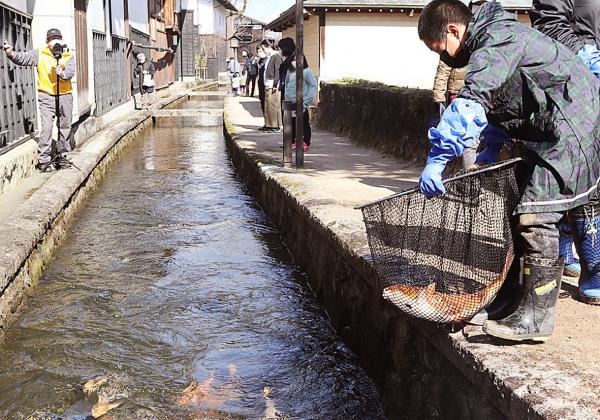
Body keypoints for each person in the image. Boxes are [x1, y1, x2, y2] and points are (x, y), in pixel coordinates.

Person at [417, 0, 600, 341]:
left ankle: (536, 317)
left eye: (440, 48)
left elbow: (474, 99)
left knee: (536, 215)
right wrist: (491, 142)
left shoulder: (496, 39)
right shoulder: (494, 39)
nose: (442, 57)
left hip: (574, 126)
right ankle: (513, 298)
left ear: (454, 30)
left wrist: (438, 158)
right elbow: (508, 96)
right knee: (518, 209)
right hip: (553, 126)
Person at [530, 0, 600, 303]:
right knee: (583, 172)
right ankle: (591, 265)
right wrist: (586, 53)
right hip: (576, 86)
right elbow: (548, 23)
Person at [3, 28, 76, 172]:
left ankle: (63, 156)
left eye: (58, 38)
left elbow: (70, 73)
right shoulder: (39, 54)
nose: (55, 41)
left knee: (65, 126)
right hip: (46, 95)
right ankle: (44, 160)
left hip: (65, 95)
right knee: (47, 128)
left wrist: (62, 73)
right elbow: (22, 58)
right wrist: (11, 53)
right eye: (52, 39)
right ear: (47, 42)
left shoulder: (68, 54)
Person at [431, 60, 479, 168]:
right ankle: (472, 178)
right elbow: (443, 70)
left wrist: (439, 98)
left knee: (465, 141)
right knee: (468, 142)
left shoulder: (454, 46)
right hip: (466, 96)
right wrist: (439, 98)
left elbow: (443, 71)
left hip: (466, 96)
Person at [283, 54, 317, 152]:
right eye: (293, 60)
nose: (295, 62)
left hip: (301, 102)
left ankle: (305, 142)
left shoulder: (306, 72)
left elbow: (313, 86)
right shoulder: (290, 71)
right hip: (290, 101)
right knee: (291, 123)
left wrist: (306, 101)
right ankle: (292, 141)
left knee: (303, 123)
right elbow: (287, 83)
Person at [261, 39, 283, 133]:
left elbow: (278, 71)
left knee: (273, 105)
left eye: (263, 48)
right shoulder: (270, 56)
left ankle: (275, 125)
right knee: (268, 105)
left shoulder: (276, 56)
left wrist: (275, 84)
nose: (263, 51)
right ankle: (268, 124)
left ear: (269, 47)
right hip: (268, 84)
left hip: (273, 84)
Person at [256, 46, 267, 116]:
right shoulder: (260, 60)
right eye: (258, 52)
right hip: (261, 83)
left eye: (260, 51)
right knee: (262, 103)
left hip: (266, 84)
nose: (259, 53)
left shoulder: (267, 59)